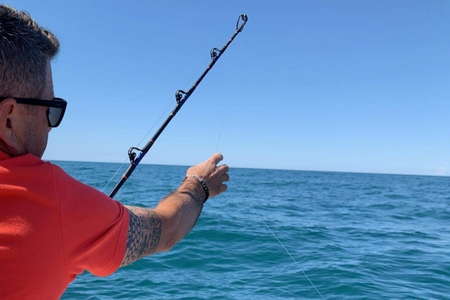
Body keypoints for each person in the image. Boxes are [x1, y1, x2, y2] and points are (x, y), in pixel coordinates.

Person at [0, 5, 229, 300]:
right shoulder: (49, 202)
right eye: (50, 111)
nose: (51, 127)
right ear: (8, 117)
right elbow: (167, 228)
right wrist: (198, 185)